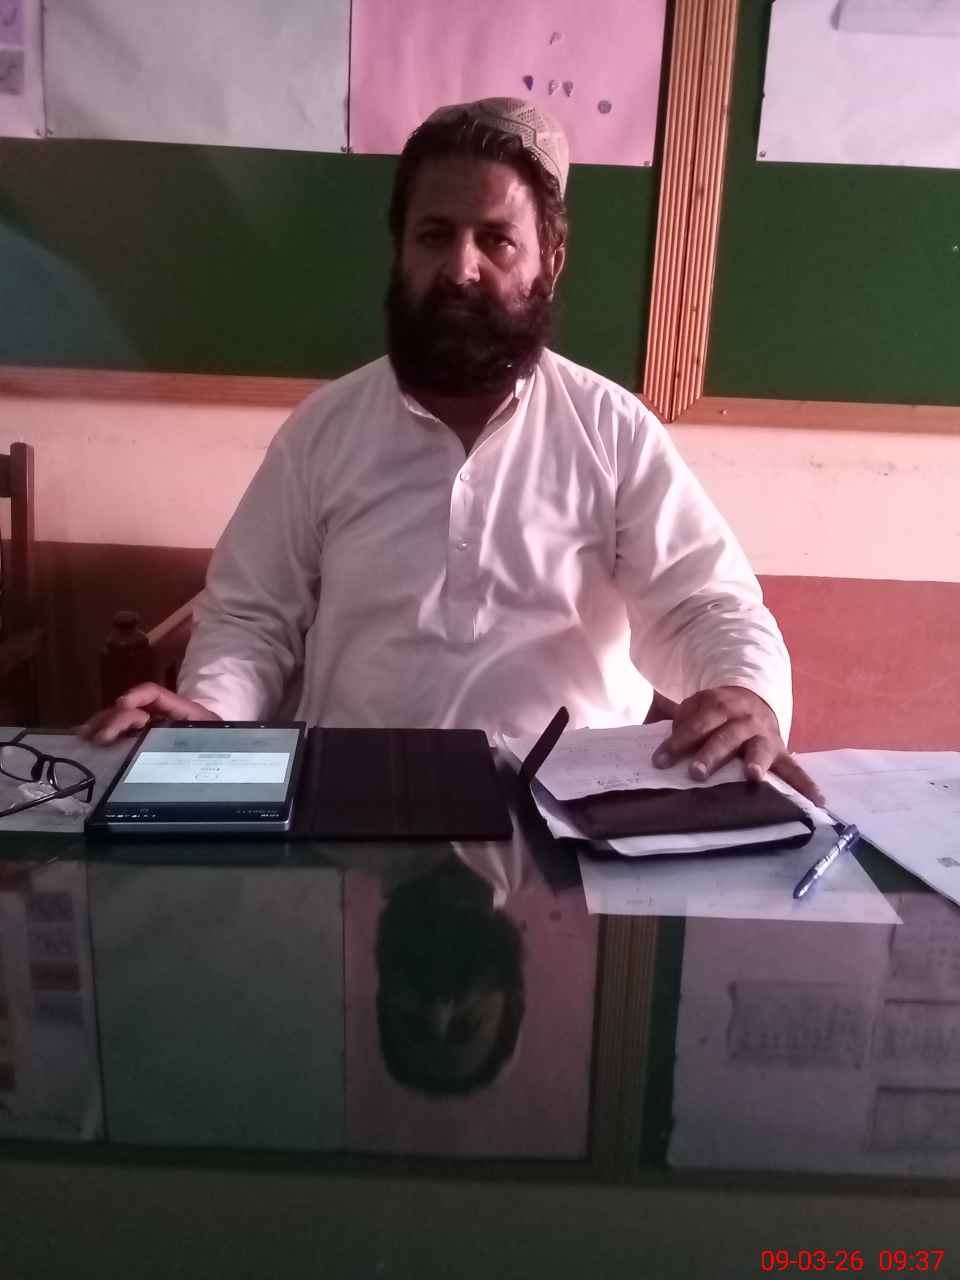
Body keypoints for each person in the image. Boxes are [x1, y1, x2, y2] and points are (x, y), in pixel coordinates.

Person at [80, 98, 822, 804]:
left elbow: (704, 603)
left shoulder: (613, 431)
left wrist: (747, 691)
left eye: (496, 240)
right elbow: (252, 617)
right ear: (401, 252)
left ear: (549, 262)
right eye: (435, 236)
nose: (461, 268)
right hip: (356, 805)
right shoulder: (325, 430)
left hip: (571, 814)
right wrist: (214, 715)